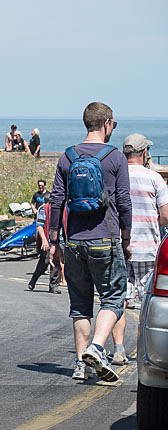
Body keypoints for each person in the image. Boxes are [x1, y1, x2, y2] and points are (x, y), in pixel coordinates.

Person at [49, 102, 132, 382]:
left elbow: (56, 201)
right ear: (107, 123)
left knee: (80, 305)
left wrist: (54, 241)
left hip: (74, 241)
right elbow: (124, 201)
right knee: (113, 298)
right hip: (105, 239)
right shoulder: (115, 157)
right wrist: (126, 237)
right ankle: (97, 347)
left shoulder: (67, 157)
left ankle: (80, 365)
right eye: (113, 124)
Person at [110, 133, 168, 365]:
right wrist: (153, 223)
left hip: (119, 248)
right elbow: (166, 215)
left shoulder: (116, 177)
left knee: (118, 300)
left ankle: (118, 349)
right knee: (147, 303)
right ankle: (146, 351)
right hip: (147, 249)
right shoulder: (154, 178)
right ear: (144, 153)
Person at [28, 194, 61, 293]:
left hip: (58, 240)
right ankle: (34, 278)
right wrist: (44, 240)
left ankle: (53, 285)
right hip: (47, 240)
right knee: (44, 262)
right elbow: (39, 226)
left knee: (55, 262)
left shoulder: (61, 209)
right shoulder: (44, 209)